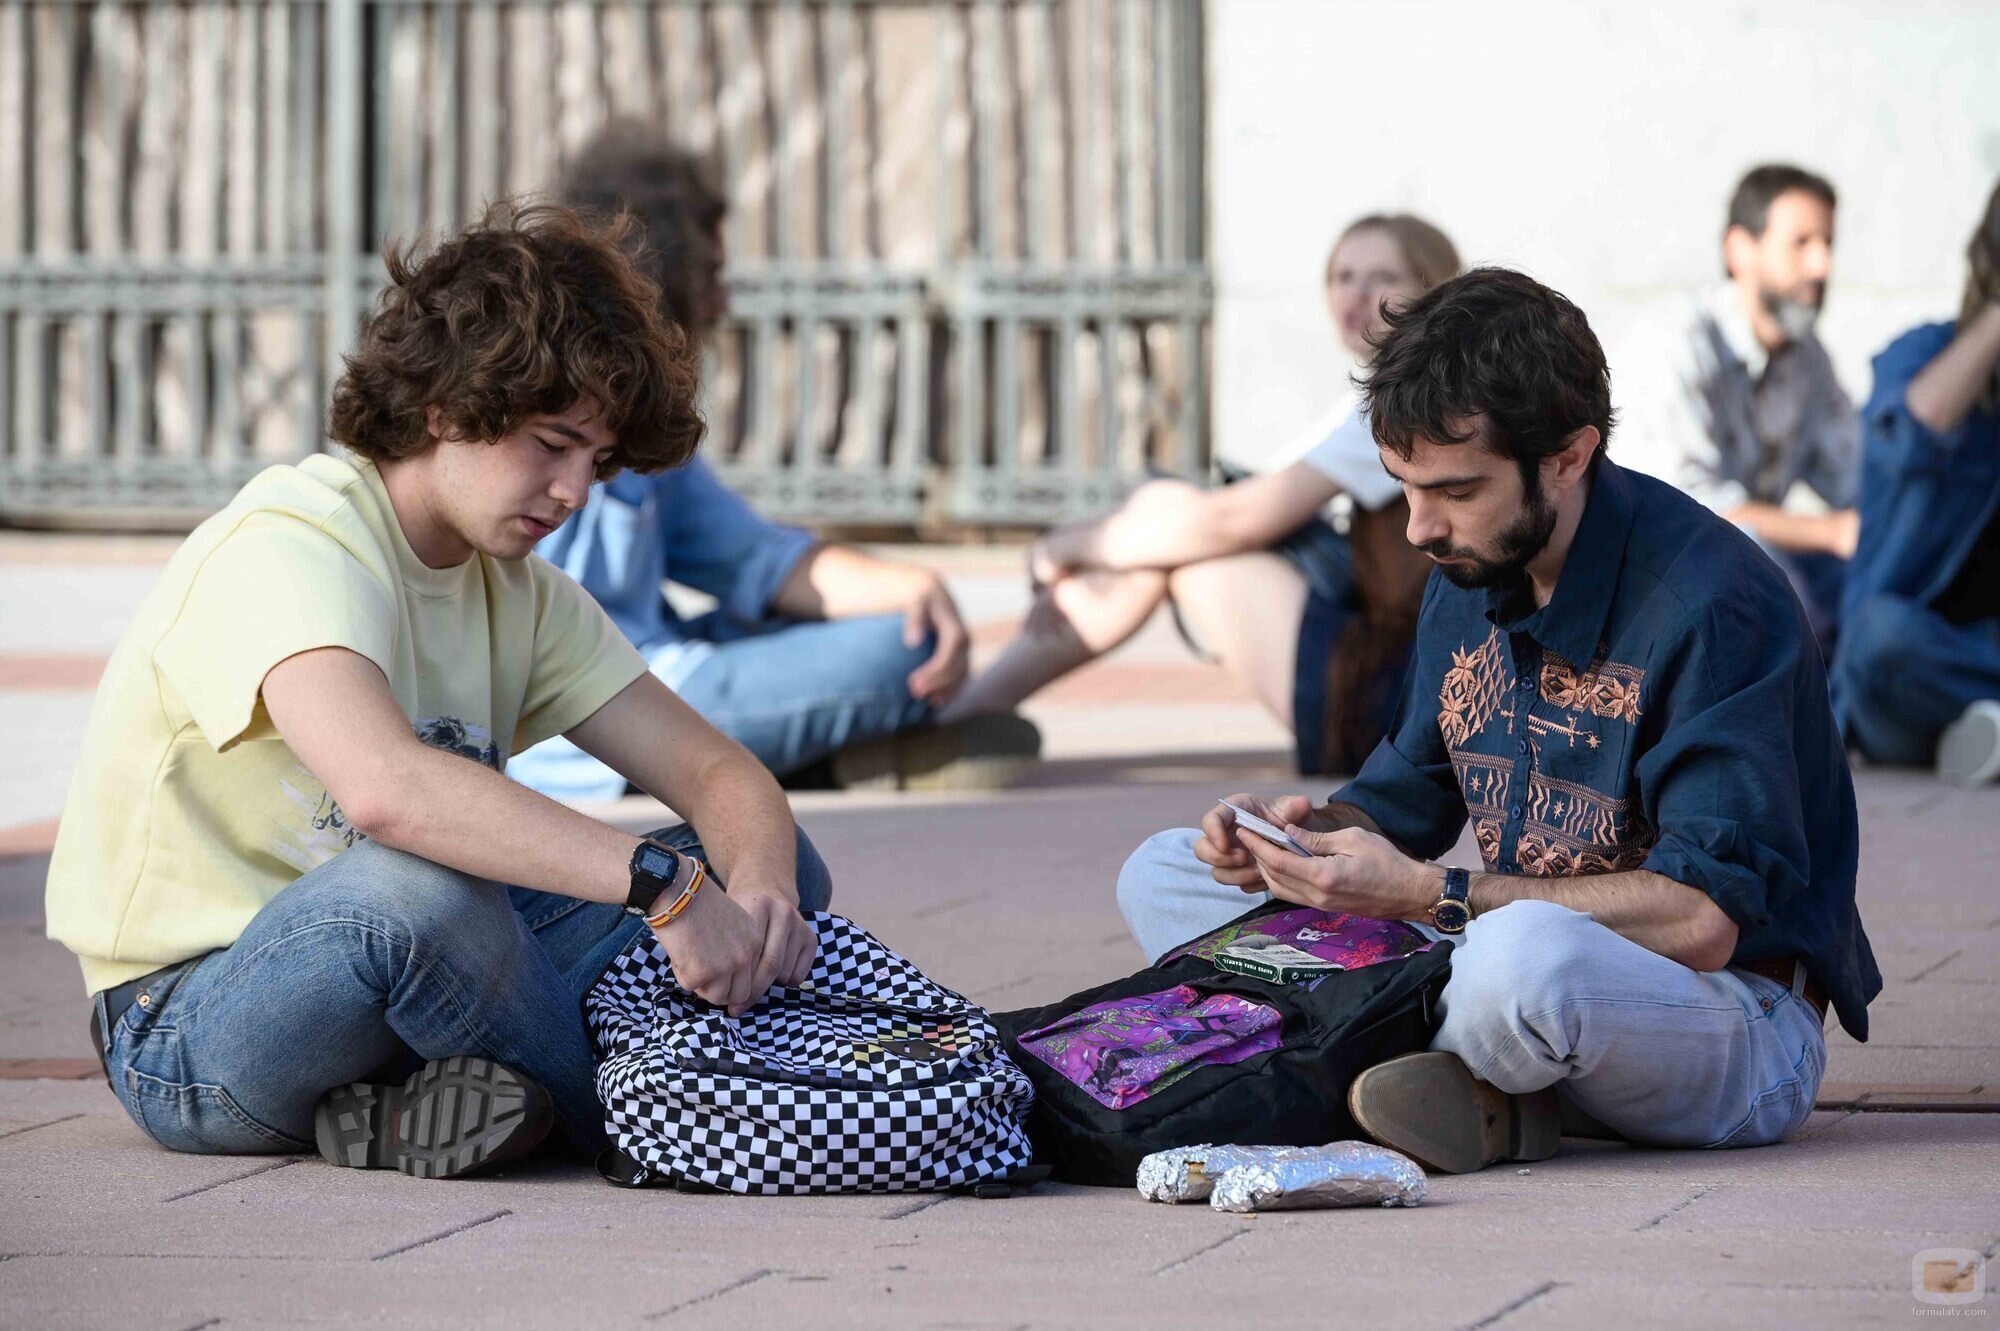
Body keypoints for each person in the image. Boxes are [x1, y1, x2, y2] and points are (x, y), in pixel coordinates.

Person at [45, 203, 832, 1180]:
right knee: (415, 893)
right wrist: (667, 892)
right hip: (188, 1026)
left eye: (595, 459)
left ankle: (429, 1107)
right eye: (551, 442)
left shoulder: (521, 592)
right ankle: (685, 1113)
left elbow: (719, 772)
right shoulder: (293, 540)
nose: (575, 489)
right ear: (446, 404)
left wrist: (752, 890)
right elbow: (386, 791)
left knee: (775, 855)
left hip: (417, 965)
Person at [1116, 268, 1879, 1174]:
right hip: (1494, 961)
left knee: (1518, 967)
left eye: (1455, 490)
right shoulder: (1469, 569)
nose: (1417, 528)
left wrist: (1424, 896)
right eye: (1405, 487)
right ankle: (1462, 1085)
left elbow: (1702, 919)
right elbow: (1397, 808)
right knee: (1163, 872)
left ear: (1568, 454)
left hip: (1728, 1015)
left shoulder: (1711, 603)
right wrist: (1293, 840)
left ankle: (1395, 1066)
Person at [507, 127, 1039, 800]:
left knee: (895, 624)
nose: (725, 304)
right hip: (596, 720)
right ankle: (798, 760)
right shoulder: (538, 412)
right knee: (897, 652)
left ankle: (822, 760)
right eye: (713, 278)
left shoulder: (636, 421)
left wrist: (913, 587)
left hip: (664, 664)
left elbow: (757, 559)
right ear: (664, 277)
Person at [939, 215, 1461, 775]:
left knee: (1181, 547)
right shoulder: (1386, 393)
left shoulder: (1413, 402)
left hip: (1398, 703)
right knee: (1166, 518)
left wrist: (1067, 547)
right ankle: (958, 715)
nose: (1356, 295)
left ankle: (949, 719)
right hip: (1405, 682)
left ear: (1432, 290)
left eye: (1382, 276)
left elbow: (1235, 521)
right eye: (1342, 276)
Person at [1617, 164, 1860, 649]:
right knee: (1760, 558)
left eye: (1828, 244)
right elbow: (1690, 514)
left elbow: (1856, 480)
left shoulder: (1810, 358)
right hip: (1654, 589)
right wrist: (1832, 531)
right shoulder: (1677, 343)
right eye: (1802, 243)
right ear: (1739, 250)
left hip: (1747, 582)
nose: (1822, 266)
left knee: (1878, 587)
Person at [1833, 178, 2000, 785]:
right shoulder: (1921, 353)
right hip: (1913, 668)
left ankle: (1982, 732)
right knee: (1879, 636)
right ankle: (1979, 724)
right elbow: (1904, 437)